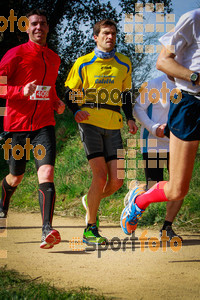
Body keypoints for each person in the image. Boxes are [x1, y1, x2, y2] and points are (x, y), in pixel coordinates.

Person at [120, 8, 200, 236]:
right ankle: (139, 201)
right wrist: (195, 77)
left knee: (179, 189)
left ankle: (167, 228)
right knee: (175, 188)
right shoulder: (193, 19)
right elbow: (162, 62)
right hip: (186, 111)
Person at [65, 19, 138, 245]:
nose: (110, 37)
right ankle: (90, 229)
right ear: (95, 37)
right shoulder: (83, 62)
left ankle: (90, 199)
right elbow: (69, 90)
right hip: (90, 121)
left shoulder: (124, 63)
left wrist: (130, 118)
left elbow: (126, 94)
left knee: (116, 181)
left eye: (113, 34)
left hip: (114, 123)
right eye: (105, 33)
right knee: (100, 175)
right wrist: (76, 111)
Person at [0, 9, 65, 249]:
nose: (39, 27)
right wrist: (20, 91)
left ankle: (46, 230)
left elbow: (49, 89)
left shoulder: (54, 58)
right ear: (27, 28)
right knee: (16, 176)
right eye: (34, 24)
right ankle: (1, 206)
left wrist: (56, 102)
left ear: (48, 28)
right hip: (16, 125)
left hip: (44, 125)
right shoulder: (15, 54)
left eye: (43, 24)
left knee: (46, 173)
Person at [133, 74, 183, 240]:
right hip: (154, 142)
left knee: (179, 186)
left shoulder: (190, 86)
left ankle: (167, 227)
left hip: (178, 142)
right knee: (154, 186)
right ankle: (135, 199)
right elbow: (138, 108)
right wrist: (154, 128)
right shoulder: (155, 83)